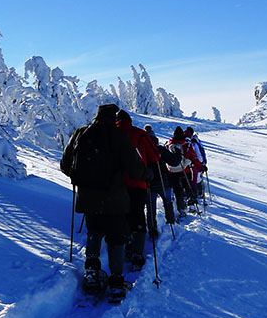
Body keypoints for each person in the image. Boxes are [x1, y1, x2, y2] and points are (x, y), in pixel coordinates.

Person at [60, 103, 145, 303]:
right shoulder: (118, 136)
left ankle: (91, 273)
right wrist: (146, 173)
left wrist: (82, 180)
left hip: (88, 197)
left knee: (94, 232)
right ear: (113, 117)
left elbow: (65, 165)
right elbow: (134, 168)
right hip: (115, 198)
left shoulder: (81, 133)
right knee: (116, 238)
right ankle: (116, 282)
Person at [115, 110, 160, 270]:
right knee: (138, 215)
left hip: (116, 185)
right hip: (138, 182)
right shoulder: (139, 134)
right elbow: (155, 157)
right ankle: (137, 253)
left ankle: (126, 245)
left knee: (123, 216)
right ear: (130, 121)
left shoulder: (111, 134)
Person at [168, 126, 202, 210]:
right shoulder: (186, 145)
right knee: (188, 187)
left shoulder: (169, 145)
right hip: (185, 170)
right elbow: (193, 157)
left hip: (173, 172)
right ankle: (191, 205)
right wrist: (201, 167)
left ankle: (181, 209)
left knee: (177, 191)